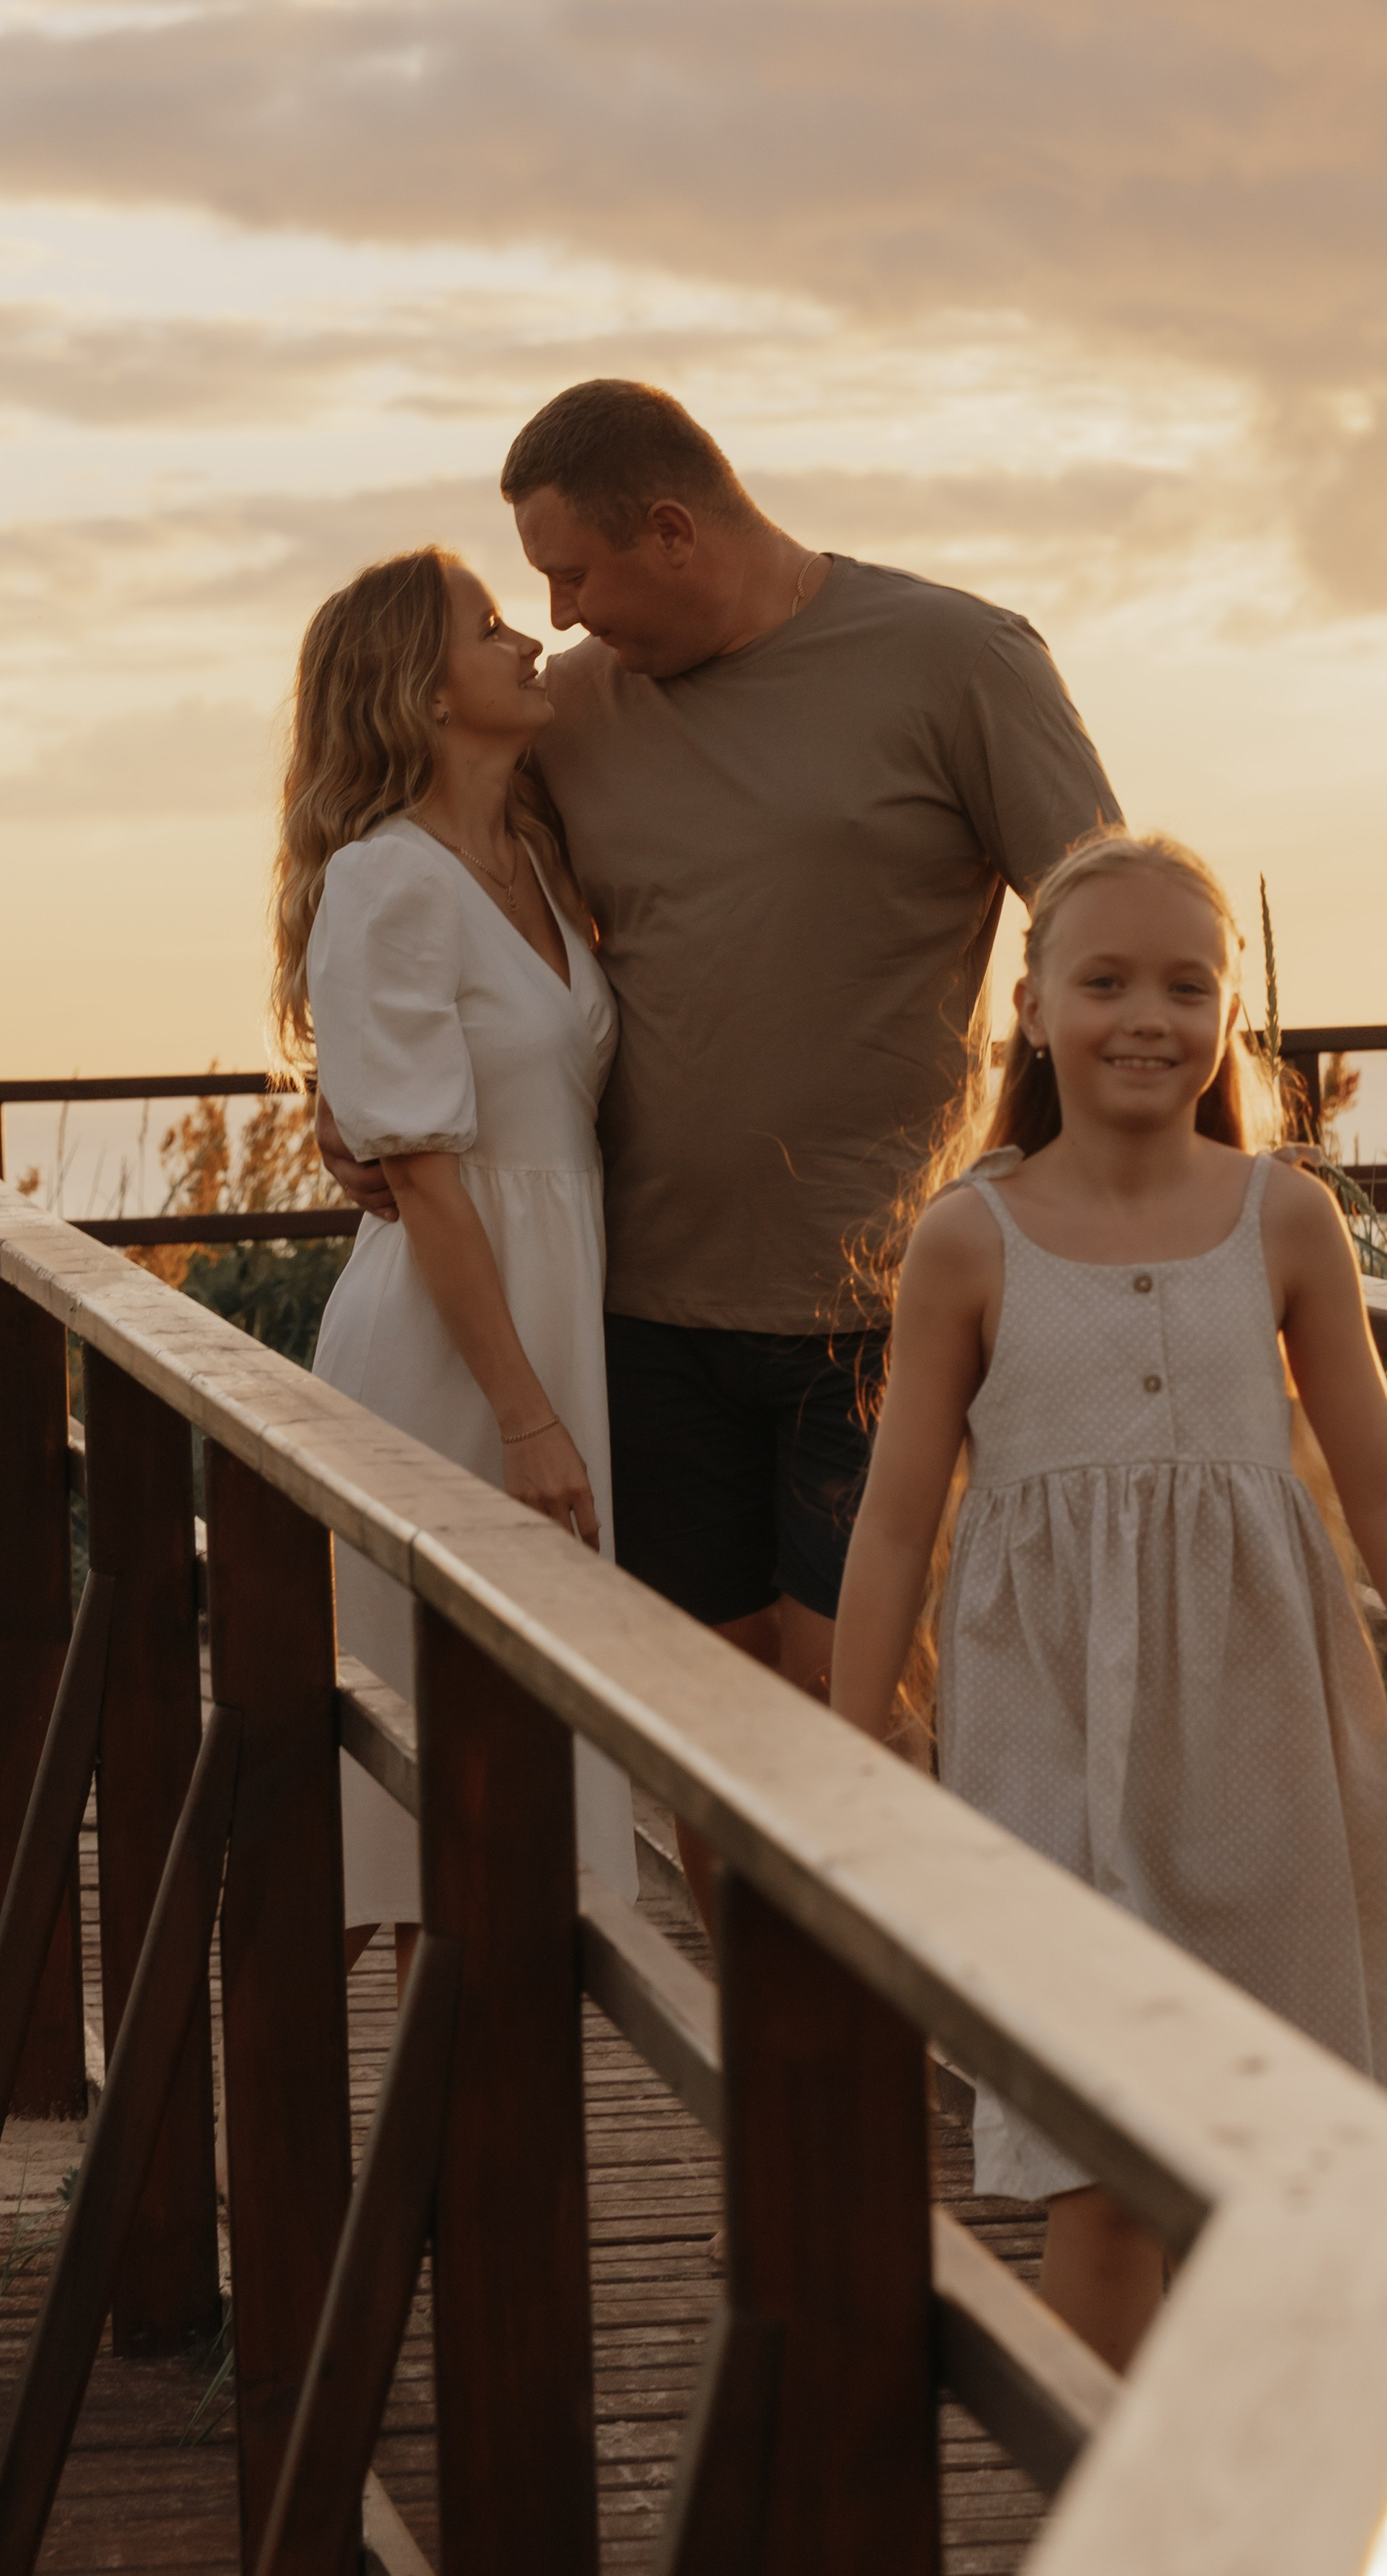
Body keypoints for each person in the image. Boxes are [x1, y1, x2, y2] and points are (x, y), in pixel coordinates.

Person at [318, 380, 1121, 1927]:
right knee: (699, 1732)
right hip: (640, 1317)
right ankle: (782, 2100)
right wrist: (345, 1105)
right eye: (529, 593)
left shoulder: (955, 659)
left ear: (671, 528)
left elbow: (1094, 926)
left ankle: (918, 2080)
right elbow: (429, 897)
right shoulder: (577, 711)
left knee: (850, 1710)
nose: (551, 621)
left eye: (571, 576)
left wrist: (1077, 1176)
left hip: (872, 1305)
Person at [830, 828, 1387, 2372]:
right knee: (1094, 2165)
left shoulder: (1279, 1220)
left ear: (1231, 1013)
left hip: (1267, 1745)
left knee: (1273, 2148)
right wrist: (851, 1762)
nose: (1143, 1017)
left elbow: (1378, 1487)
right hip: (1048, 1745)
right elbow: (895, 1526)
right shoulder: (969, 1241)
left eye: (1185, 984)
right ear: (1030, 1008)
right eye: (1102, 982)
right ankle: (1108, 2515)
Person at [271, 545, 638, 1983]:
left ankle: (430, 2174)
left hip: (546, 1304)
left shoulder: (534, 853)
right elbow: (420, 1171)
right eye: (492, 629)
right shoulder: (388, 880)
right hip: (448, 1348)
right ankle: (232, 2120)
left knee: (488, 1794)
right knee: (400, 1790)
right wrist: (530, 1415)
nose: (528, 642)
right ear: (422, 694)